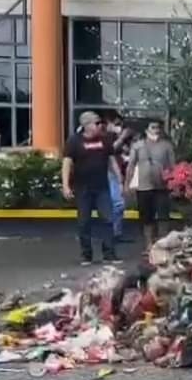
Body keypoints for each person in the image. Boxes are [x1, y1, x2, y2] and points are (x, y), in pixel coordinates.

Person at [62, 111, 123, 265]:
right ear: (86, 125)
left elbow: (111, 160)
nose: (100, 125)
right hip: (83, 188)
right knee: (84, 222)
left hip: (102, 186)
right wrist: (66, 185)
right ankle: (86, 255)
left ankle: (109, 254)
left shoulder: (105, 140)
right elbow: (67, 163)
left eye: (100, 123)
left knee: (108, 219)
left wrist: (119, 179)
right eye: (96, 123)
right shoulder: (74, 142)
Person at [126, 120, 176, 251]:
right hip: (144, 187)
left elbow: (173, 166)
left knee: (163, 217)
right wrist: (127, 184)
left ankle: (163, 245)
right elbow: (131, 166)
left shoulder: (167, 146)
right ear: (147, 130)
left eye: (158, 127)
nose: (156, 130)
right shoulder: (138, 146)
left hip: (162, 187)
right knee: (146, 218)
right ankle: (148, 245)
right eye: (153, 127)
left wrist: (174, 184)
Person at [105, 114, 133, 243]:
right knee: (117, 203)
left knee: (119, 204)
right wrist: (122, 137)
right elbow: (111, 150)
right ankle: (113, 233)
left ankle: (116, 233)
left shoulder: (124, 138)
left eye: (120, 124)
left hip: (119, 173)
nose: (119, 127)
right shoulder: (106, 136)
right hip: (110, 173)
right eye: (116, 124)